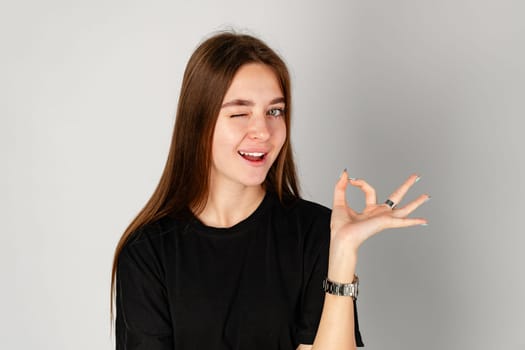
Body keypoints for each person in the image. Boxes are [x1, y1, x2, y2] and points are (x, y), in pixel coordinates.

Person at [110, 31, 429, 350]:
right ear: (198, 122)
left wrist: (342, 251)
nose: (263, 131)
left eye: (275, 111)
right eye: (239, 113)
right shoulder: (147, 252)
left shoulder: (316, 232)